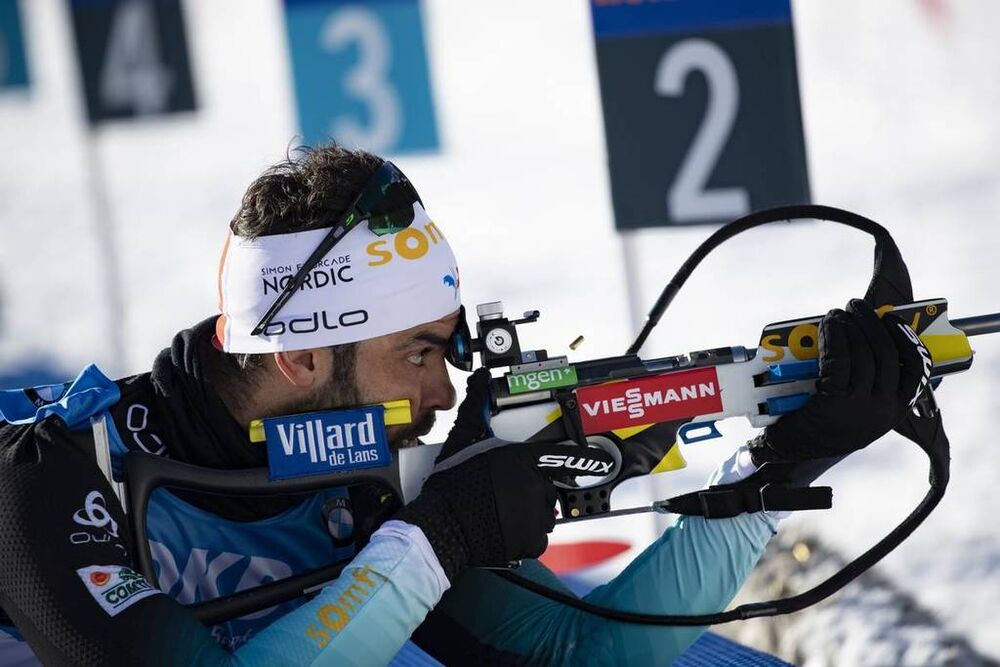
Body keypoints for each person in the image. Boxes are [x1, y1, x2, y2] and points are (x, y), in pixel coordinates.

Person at [0, 146, 929, 666]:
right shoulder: (60, 476)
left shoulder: (370, 481)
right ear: (297, 354)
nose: (444, 392)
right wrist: (431, 543)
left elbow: (584, 654)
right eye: (419, 353)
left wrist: (778, 466)